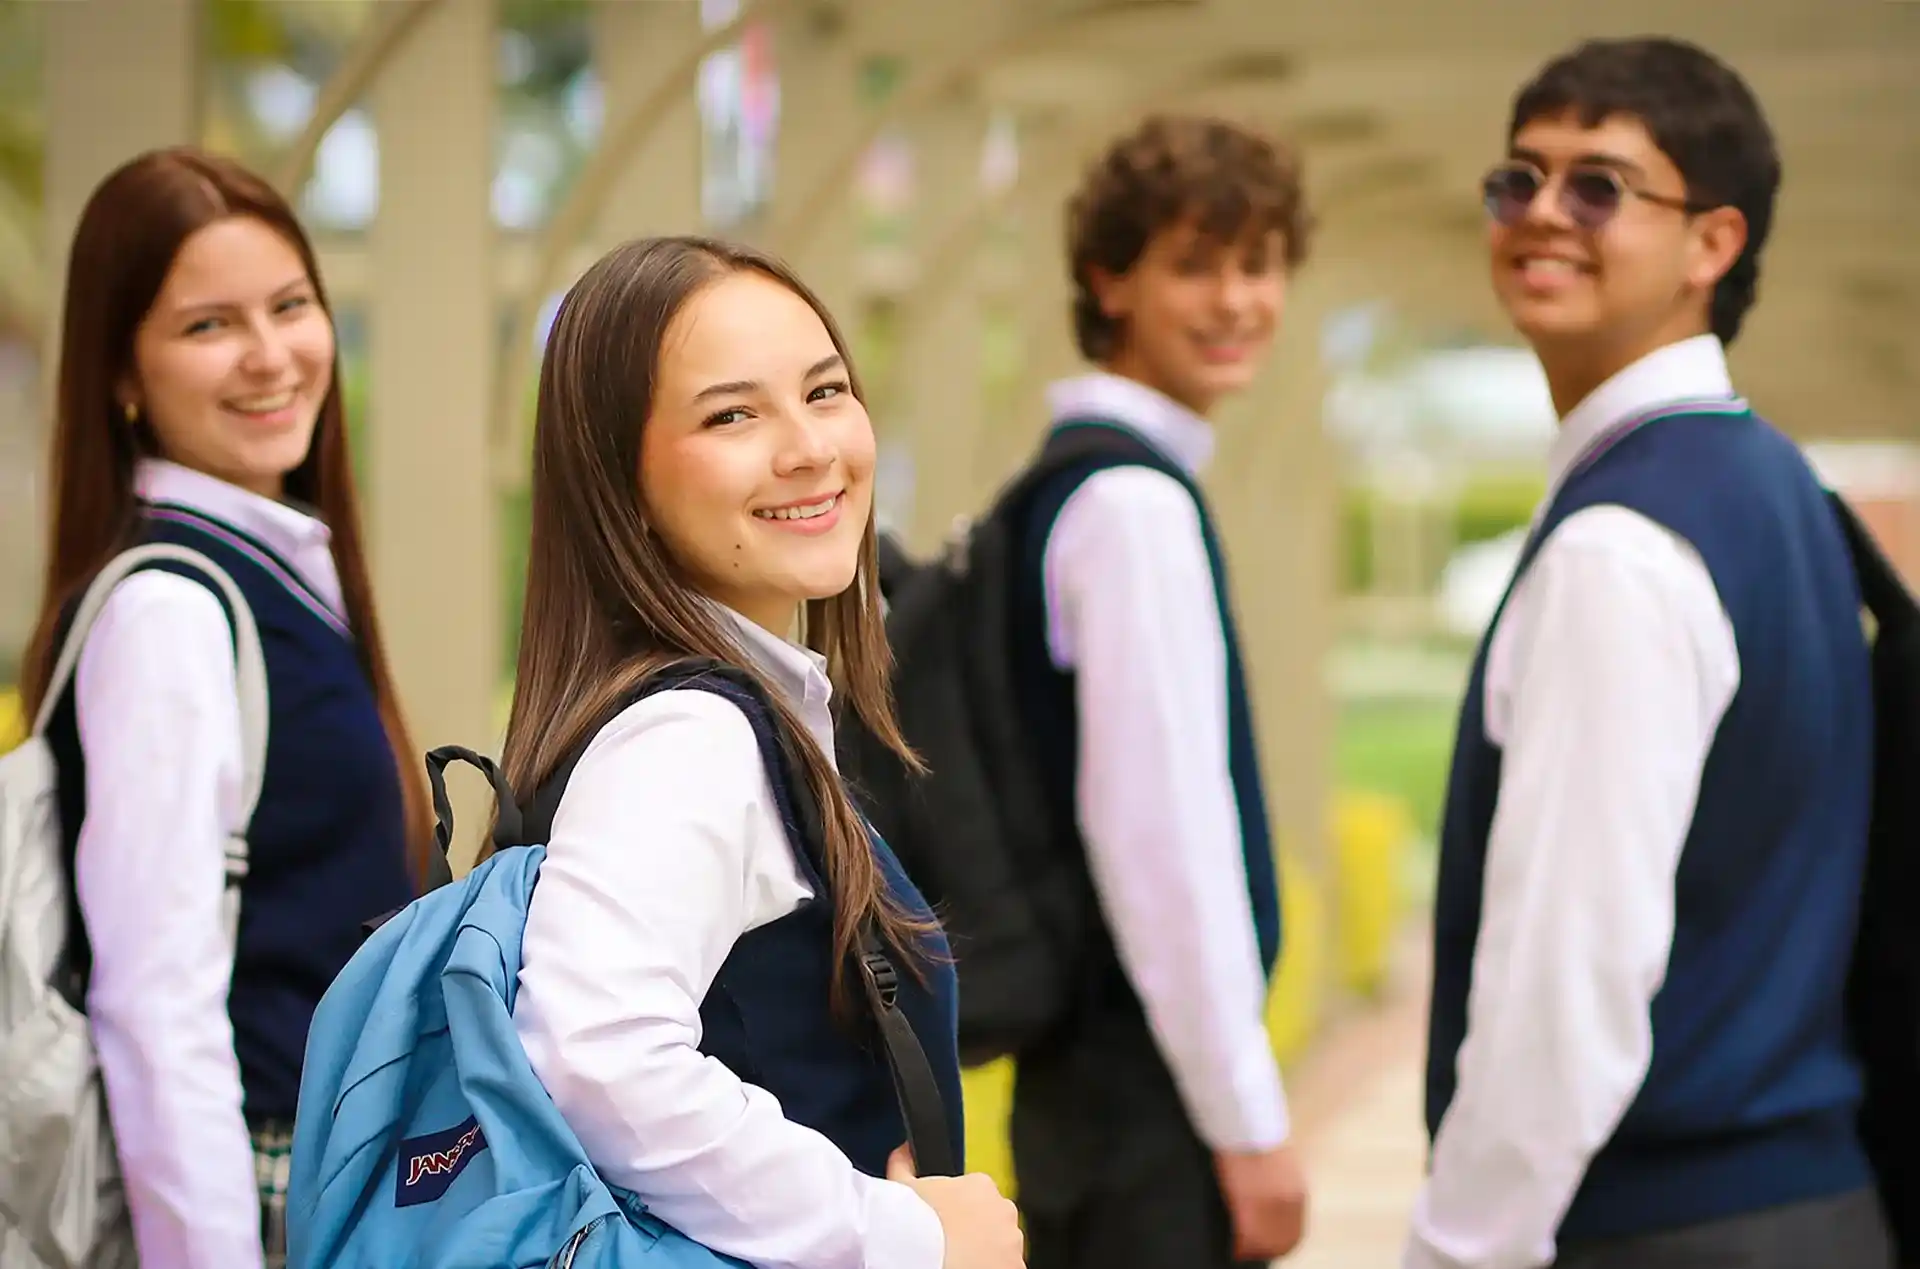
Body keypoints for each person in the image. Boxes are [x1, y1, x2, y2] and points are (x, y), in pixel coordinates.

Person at [1409, 37, 1896, 1269]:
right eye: (1519, 178)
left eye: (1600, 186)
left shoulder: (1620, 545)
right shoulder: (1776, 483)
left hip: (1667, 1228)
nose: (1540, 215)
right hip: (1806, 1210)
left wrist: (1455, 1250)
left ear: (1712, 244)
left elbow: (1564, 993)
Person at [498, 234, 1025, 1269]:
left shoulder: (732, 715)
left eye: (825, 392)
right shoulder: (684, 739)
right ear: (620, 479)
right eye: (733, 415)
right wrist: (903, 1236)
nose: (809, 448)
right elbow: (596, 1057)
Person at [18, 147, 432, 1268]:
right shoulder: (169, 612)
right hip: (265, 1196)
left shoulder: (277, 571)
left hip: (339, 1178)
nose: (269, 356)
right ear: (123, 373)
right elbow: (158, 1012)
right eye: (208, 326)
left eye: (291, 306)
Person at [1004, 114, 1314, 1269]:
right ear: (1110, 280)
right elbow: (1162, 842)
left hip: (1090, 1089)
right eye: (1194, 265)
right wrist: (1249, 1129)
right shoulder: (1134, 511)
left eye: (1259, 262)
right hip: (1141, 1104)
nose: (1237, 301)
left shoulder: (1072, 480)